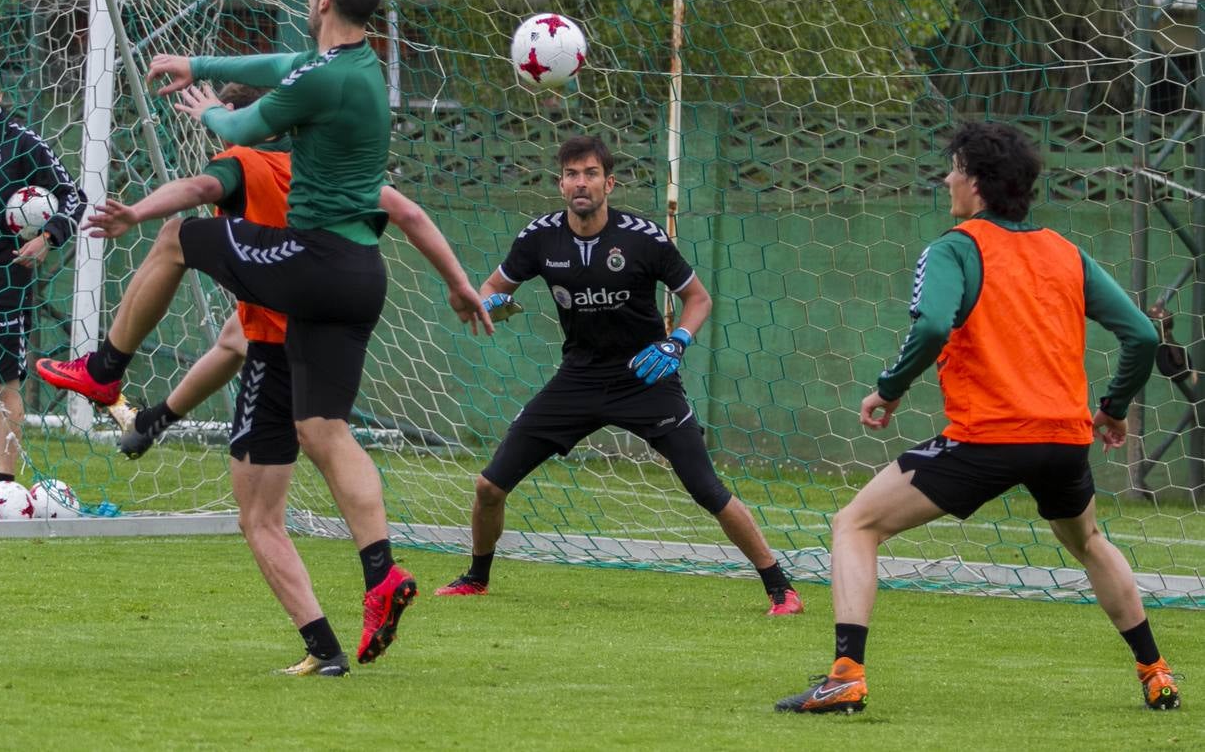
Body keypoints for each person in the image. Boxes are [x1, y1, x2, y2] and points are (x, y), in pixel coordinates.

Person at [37, 0, 483, 667]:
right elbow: (279, 69)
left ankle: (106, 370)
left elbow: (245, 131)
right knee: (324, 430)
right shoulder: (359, 67)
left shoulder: (316, 84)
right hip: (362, 276)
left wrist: (211, 108)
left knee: (180, 236)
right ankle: (382, 573)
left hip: (316, 263)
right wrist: (203, 65)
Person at [776, 121, 1178, 714]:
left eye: (955, 168)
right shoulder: (1066, 253)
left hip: (989, 439)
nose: (947, 179)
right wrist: (1113, 410)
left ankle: (845, 675)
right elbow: (1142, 336)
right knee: (1089, 540)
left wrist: (889, 389)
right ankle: (1156, 672)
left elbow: (934, 325)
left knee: (855, 525)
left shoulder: (956, 247)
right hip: (1065, 440)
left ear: (977, 183)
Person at [434, 135, 803, 616]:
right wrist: (491, 306)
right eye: (570, 174)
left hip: (646, 378)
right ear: (560, 183)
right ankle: (476, 578)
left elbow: (699, 299)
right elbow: (489, 291)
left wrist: (677, 342)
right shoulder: (539, 237)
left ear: (608, 183)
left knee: (706, 488)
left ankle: (781, 589)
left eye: (589, 173)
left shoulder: (642, 237)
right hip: (578, 379)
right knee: (489, 487)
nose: (579, 183)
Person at [0, 55, 86, 483]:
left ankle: (5, 483)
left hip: (3, 281)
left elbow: (72, 196)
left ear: (1, 93)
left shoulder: (22, 141)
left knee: (3, 387)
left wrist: (48, 238)